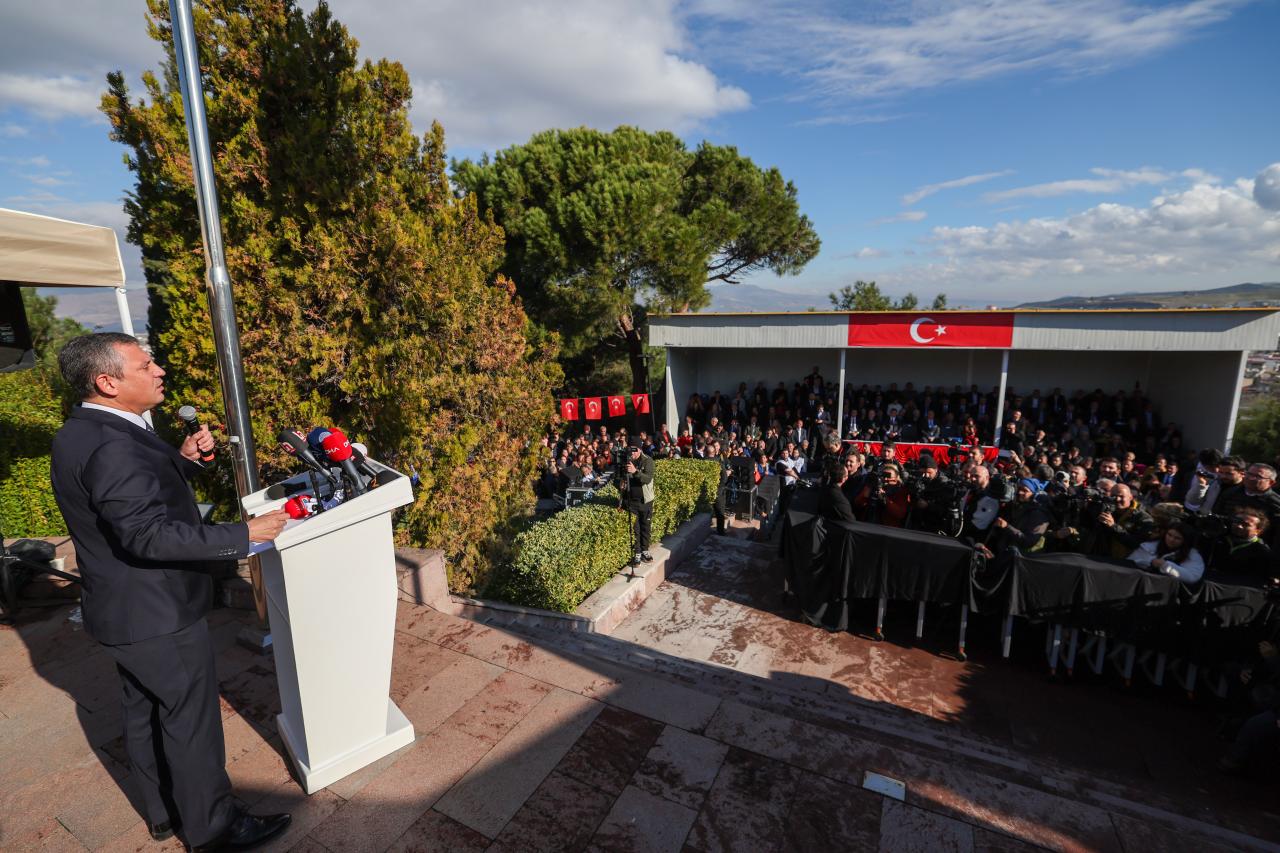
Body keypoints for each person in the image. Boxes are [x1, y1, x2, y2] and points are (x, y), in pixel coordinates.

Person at [49, 333, 291, 851]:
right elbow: (147, 534)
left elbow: (127, 497)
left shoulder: (83, 430)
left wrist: (182, 462)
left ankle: (162, 813)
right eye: (146, 364)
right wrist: (244, 536)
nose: (159, 370)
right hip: (156, 614)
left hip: (122, 614)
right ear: (108, 381)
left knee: (144, 710)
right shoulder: (112, 443)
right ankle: (214, 827)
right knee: (190, 721)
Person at [1128, 520, 1204, 583]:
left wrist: (1165, 565)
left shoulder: (1192, 555)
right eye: (1169, 535)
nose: (1171, 540)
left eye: (1177, 538)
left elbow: (1192, 576)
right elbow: (1131, 561)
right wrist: (1149, 562)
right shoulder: (1152, 545)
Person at [619, 438, 656, 564]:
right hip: (631, 501)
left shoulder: (648, 461)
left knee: (645, 527)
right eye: (630, 450)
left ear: (639, 449)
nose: (632, 453)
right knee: (635, 529)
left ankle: (645, 550)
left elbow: (647, 479)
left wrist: (635, 472)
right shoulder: (626, 461)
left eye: (634, 450)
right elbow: (616, 479)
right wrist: (620, 483)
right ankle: (638, 553)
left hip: (645, 501)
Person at [818, 458, 857, 523]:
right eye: (847, 476)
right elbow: (850, 520)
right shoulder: (839, 498)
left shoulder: (826, 488)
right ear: (843, 479)